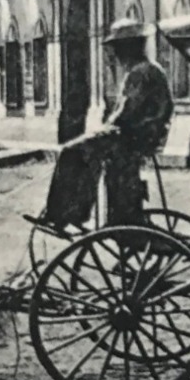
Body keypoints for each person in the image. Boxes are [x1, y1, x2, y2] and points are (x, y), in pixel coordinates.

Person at [42, 19, 173, 229]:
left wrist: (103, 130)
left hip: (133, 137)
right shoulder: (146, 70)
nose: (116, 55)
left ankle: (66, 213)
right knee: (88, 156)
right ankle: (74, 211)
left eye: (118, 49)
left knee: (72, 152)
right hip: (140, 136)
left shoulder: (141, 72)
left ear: (129, 47)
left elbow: (126, 113)